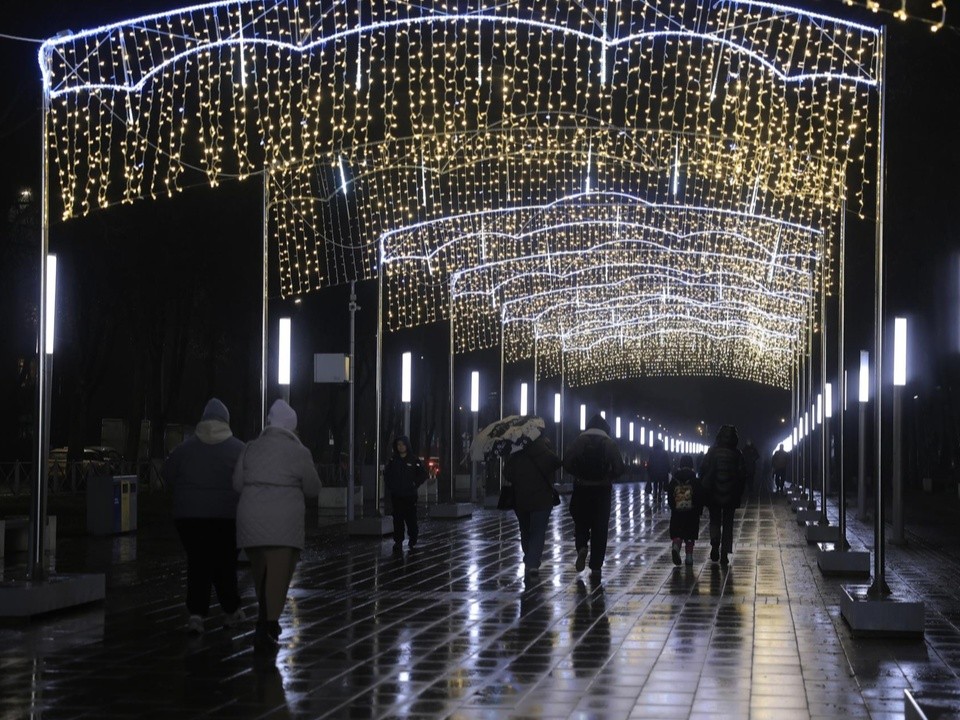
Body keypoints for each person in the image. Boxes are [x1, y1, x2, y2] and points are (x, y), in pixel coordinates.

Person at [233, 399, 321, 652]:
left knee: (260, 572)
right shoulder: (299, 451)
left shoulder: (250, 448)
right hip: (284, 522)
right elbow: (313, 488)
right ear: (292, 426)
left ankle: (265, 620)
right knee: (279, 576)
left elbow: (237, 484)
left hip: (250, 518)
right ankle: (268, 624)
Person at [162, 398, 246, 634]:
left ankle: (196, 615)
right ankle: (230, 611)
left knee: (197, 562)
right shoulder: (238, 449)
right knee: (225, 563)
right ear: (226, 421)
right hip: (227, 517)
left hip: (189, 518)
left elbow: (167, 475)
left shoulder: (185, 448)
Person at [563, 414, 626, 583]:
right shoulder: (609, 443)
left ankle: (582, 547)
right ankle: (596, 566)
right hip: (602, 491)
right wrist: (609, 476)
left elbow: (567, 462)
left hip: (582, 488)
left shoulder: (579, 441)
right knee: (600, 527)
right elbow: (620, 467)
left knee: (581, 522)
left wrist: (578, 474)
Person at [503, 434, 562, 577]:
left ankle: (529, 556)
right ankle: (532, 562)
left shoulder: (517, 453)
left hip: (521, 499)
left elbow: (507, 473)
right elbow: (557, 463)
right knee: (538, 531)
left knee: (525, 529)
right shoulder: (545, 451)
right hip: (542, 500)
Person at [699, 424, 746, 566]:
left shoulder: (712, 452)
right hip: (731, 494)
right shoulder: (738, 454)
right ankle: (724, 553)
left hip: (713, 493)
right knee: (728, 523)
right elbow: (742, 475)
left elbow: (703, 470)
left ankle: (714, 543)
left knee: (714, 520)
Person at [384, 435, 428, 551]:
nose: (401, 447)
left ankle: (413, 539)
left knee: (411, 519)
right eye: (398, 445)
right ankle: (398, 541)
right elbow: (387, 475)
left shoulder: (414, 460)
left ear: (407, 445)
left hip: (410, 495)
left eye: (403, 444)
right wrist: (391, 486)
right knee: (397, 519)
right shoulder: (393, 461)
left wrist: (414, 484)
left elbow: (423, 474)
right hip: (397, 495)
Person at [667, 454, 704, 566]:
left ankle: (676, 546)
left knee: (678, 532)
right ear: (691, 465)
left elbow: (670, 496)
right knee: (690, 535)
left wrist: (674, 507)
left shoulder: (674, 480)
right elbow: (699, 496)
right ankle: (689, 558)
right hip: (692, 513)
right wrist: (699, 510)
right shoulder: (695, 480)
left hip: (677, 513)